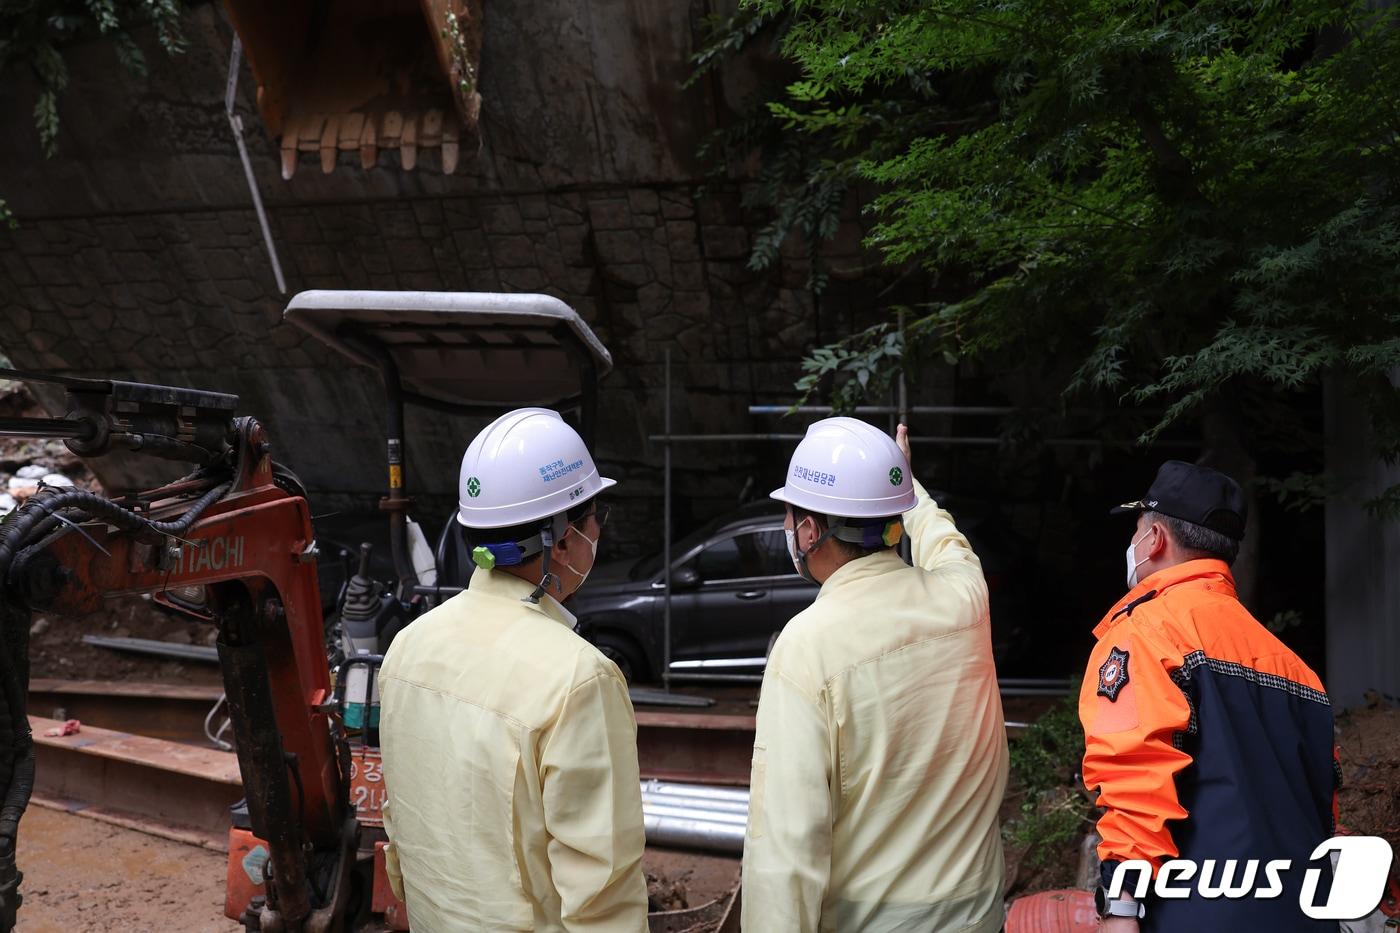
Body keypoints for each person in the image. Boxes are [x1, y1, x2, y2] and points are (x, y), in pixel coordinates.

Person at [377, 408, 647, 932]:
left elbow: (401, 822)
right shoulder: (579, 680)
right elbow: (602, 894)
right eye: (597, 517)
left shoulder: (408, 648)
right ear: (563, 538)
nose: (599, 531)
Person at [742, 418, 1009, 932]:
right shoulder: (964, 597)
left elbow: (785, 848)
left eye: (790, 515)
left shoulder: (807, 645)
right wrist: (907, 486)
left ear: (809, 529)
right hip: (979, 917)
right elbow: (945, 542)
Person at [1083, 460, 1336, 932]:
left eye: (1137, 528)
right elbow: (1323, 807)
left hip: (1198, 913)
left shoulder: (1145, 634)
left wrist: (1120, 910)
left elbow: (1136, 777)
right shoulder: (1298, 669)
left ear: (1154, 539)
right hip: (1303, 912)